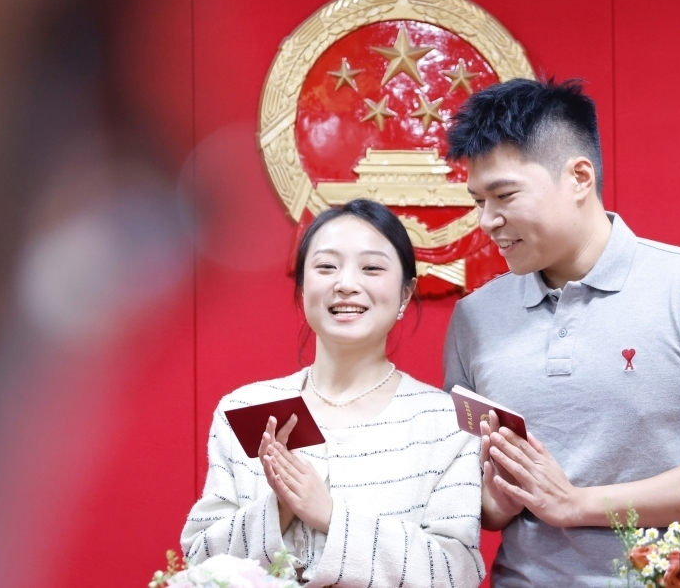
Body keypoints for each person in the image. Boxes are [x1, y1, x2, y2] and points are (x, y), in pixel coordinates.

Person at [442, 78, 680, 587]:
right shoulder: (474, 318)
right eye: (477, 200)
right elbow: (476, 501)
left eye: (504, 195)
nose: (487, 220)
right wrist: (501, 497)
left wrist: (577, 505)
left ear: (579, 177)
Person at [181, 199, 485, 587]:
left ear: (405, 295)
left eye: (372, 268)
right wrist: (280, 508)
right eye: (326, 267)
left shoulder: (446, 424)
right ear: (303, 288)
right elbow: (199, 561)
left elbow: (456, 572)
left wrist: (329, 515)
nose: (346, 284)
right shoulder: (247, 408)